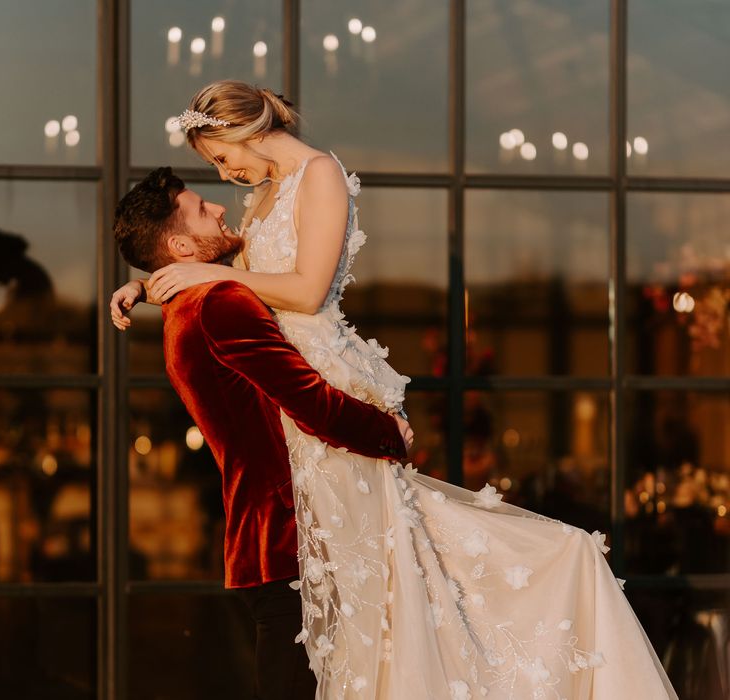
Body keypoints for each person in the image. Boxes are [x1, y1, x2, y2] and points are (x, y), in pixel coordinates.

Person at [110, 81, 677, 699]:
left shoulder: (319, 173)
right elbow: (228, 279)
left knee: (397, 577)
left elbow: (303, 290)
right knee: (360, 595)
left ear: (246, 129)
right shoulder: (263, 197)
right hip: (302, 425)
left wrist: (206, 270)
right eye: (215, 168)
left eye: (222, 156)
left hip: (326, 394)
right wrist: (148, 285)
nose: (226, 174)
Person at [113, 167, 413, 700]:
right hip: (287, 538)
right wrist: (389, 431)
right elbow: (310, 404)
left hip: (265, 539)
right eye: (203, 210)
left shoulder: (188, 305)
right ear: (181, 246)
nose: (222, 207)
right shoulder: (219, 305)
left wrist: (144, 283)